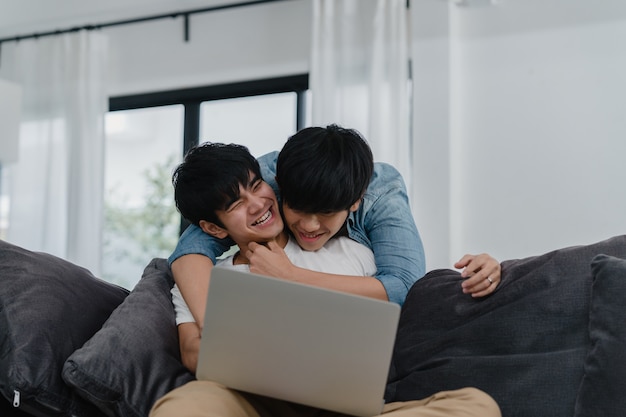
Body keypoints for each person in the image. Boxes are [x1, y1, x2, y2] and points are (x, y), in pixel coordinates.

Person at [151, 138, 501, 417]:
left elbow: (412, 289)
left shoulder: (354, 254)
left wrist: (487, 266)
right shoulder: (206, 278)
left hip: (350, 405)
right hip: (254, 402)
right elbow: (193, 354)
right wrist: (261, 352)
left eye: (257, 186)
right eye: (235, 205)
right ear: (213, 228)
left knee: (476, 405)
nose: (257, 204)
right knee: (182, 406)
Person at [168, 125, 502, 331]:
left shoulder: (379, 194)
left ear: (355, 202)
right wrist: (215, 327)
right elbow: (196, 241)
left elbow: (404, 287)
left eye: (325, 213)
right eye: (297, 209)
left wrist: (290, 276)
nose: (309, 225)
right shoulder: (266, 179)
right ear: (282, 187)